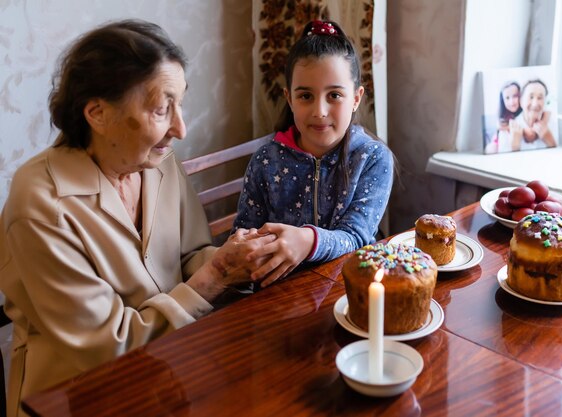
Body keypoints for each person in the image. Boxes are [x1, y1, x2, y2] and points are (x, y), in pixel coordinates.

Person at [0, 19, 275, 417]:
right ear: (96, 112)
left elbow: (191, 253)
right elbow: (105, 347)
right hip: (77, 392)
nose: (180, 128)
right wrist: (214, 277)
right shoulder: (41, 203)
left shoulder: (157, 162)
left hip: (172, 365)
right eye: (163, 109)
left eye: (180, 105)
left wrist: (240, 262)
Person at [233, 20, 394, 286]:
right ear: (289, 98)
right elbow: (244, 235)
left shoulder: (372, 159)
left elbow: (356, 237)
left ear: (356, 98)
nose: (320, 111)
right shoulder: (265, 161)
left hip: (351, 291)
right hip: (279, 296)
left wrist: (307, 241)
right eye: (306, 96)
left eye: (334, 95)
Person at [510, 79, 557, 151]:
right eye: (531, 97)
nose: (535, 104)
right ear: (521, 101)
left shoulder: (553, 125)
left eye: (540, 98)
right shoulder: (509, 132)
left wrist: (551, 142)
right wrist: (515, 147)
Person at [485, 81, 522, 154]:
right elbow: (500, 127)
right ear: (503, 101)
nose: (511, 102)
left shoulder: (524, 114)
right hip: (498, 141)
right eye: (507, 98)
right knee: (490, 148)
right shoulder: (503, 116)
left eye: (515, 96)